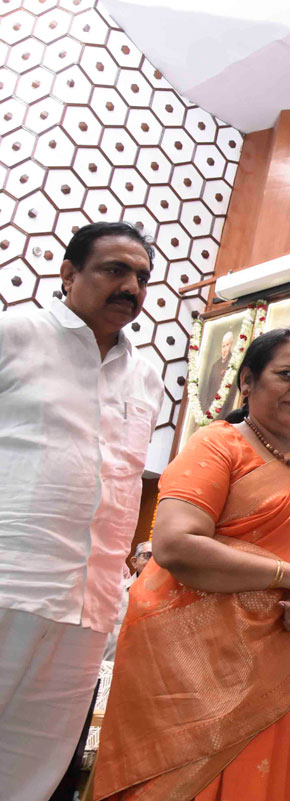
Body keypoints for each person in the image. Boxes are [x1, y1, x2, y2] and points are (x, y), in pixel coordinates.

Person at [92, 328, 290, 800]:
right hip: (186, 676)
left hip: (271, 679)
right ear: (247, 383)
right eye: (287, 374)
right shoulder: (216, 447)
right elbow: (176, 545)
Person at [0, 221, 164, 800]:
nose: (131, 286)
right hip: (10, 584)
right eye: (114, 270)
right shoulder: (15, 333)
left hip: (89, 609)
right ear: (68, 274)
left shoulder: (146, 375)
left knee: (32, 775)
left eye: (141, 277)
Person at [202, 330, 234, 405]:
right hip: (211, 407)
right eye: (223, 346)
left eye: (227, 345)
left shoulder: (234, 362)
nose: (224, 350)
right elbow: (208, 389)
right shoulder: (215, 366)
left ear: (231, 345)